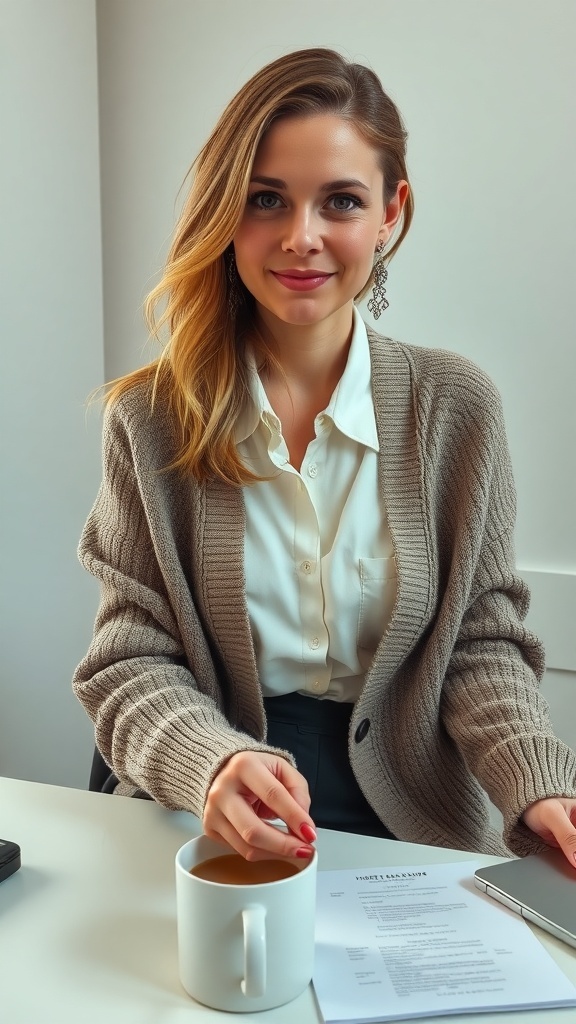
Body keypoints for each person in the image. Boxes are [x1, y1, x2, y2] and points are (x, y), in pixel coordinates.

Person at [74, 47, 576, 868]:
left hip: (411, 815)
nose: (301, 238)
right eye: (266, 199)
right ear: (226, 213)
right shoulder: (152, 417)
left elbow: (479, 643)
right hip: (212, 807)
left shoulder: (457, 407)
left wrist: (539, 783)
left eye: (340, 201)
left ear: (389, 214)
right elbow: (130, 658)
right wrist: (215, 763)